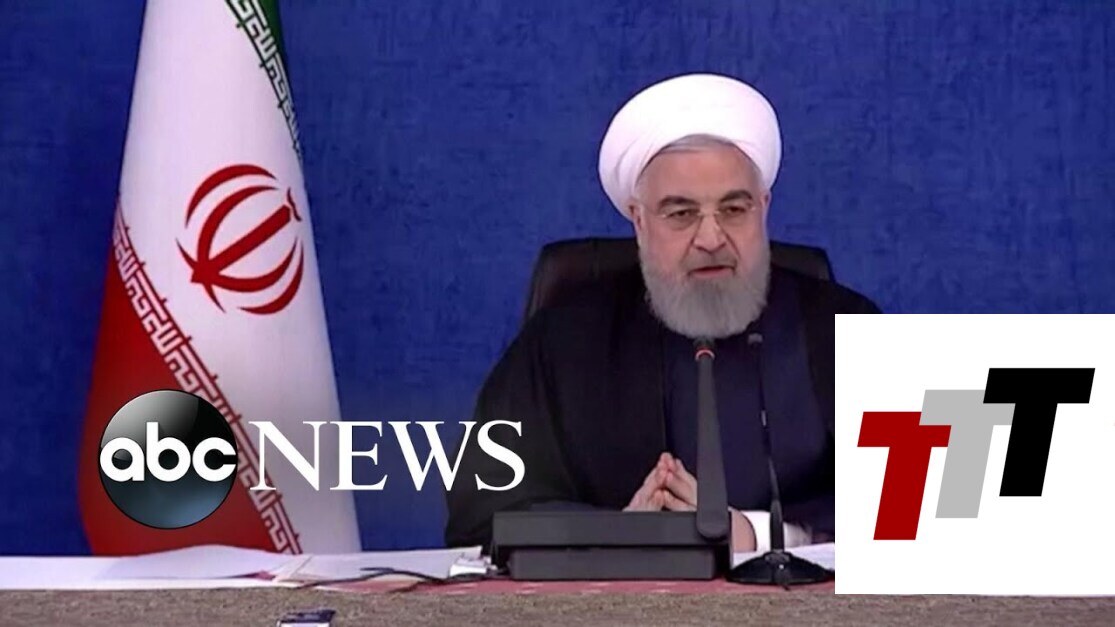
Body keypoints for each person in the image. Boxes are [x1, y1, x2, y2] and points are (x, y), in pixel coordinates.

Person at [445, 73, 879, 552]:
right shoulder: (564, 339)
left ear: (763, 207)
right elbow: (478, 513)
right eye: (681, 213)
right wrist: (618, 532)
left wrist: (758, 533)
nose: (711, 238)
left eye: (734, 210)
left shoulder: (849, 328)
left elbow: (922, 505)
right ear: (639, 220)